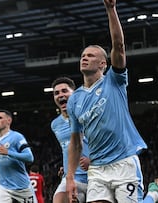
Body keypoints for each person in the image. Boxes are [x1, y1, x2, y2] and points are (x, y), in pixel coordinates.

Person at [65, 0, 147, 202]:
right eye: (83, 55)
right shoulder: (74, 99)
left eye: (91, 55)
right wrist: (70, 176)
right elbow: (76, 143)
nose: (84, 58)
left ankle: (152, 196)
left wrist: (111, 10)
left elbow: (119, 46)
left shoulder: (114, 80)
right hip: (97, 168)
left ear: (103, 63)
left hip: (124, 163)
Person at [51, 77, 90, 203]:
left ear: (74, 93)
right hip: (72, 178)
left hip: (95, 175)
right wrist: (67, 165)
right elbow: (67, 147)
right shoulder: (55, 124)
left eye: (64, 91)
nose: (60, 95)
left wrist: (93, 160)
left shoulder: (88, 114)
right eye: (56, 93)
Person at [0, 109, 37, 203]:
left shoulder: (17, 137)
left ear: (9, 120)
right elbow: (1, 160)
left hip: (22, 187)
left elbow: (30, 158)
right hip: (3, 187)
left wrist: (8, 152)